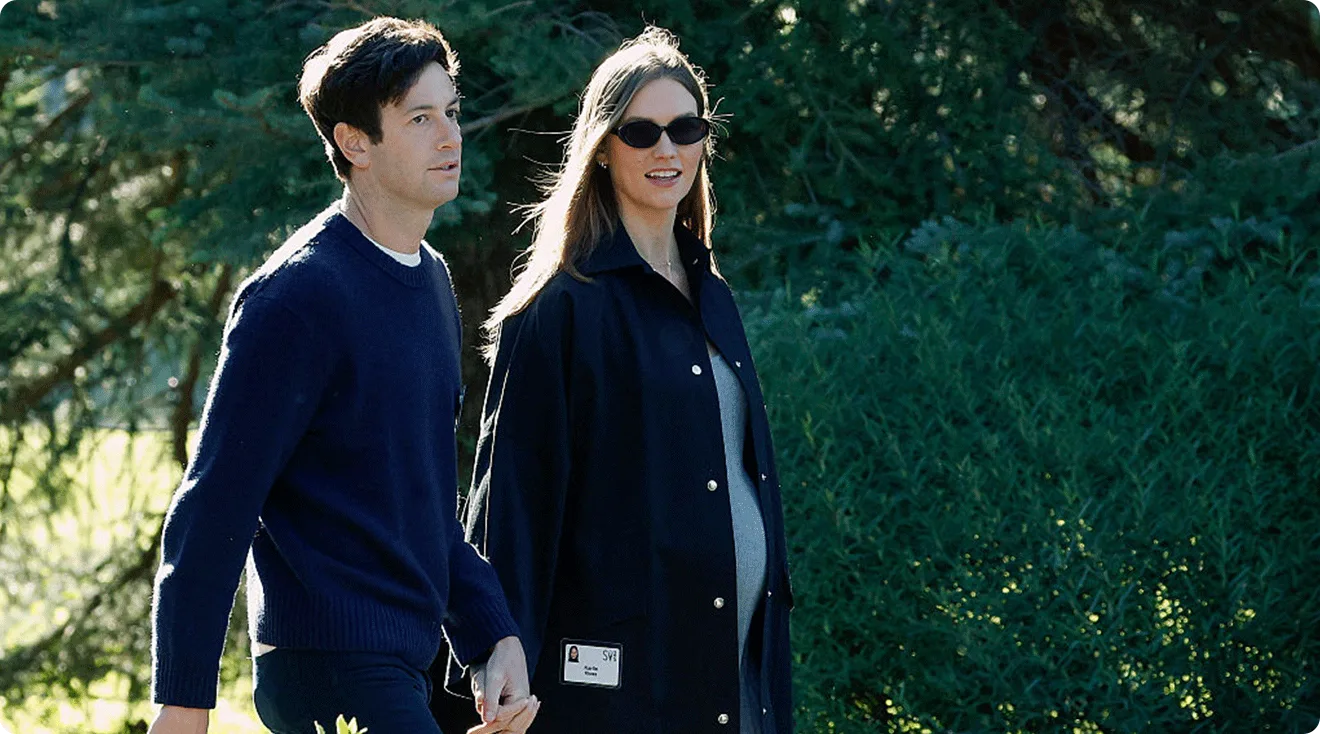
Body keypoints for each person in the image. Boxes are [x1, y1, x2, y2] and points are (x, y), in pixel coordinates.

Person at [147, 17, 539, 734]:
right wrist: (183, 704)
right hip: (326, 665)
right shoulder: (297, 298)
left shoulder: (430, 283)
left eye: (451, 112)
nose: (451, 136)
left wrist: (490, 633)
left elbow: (421, 500)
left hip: (401, 664)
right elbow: (215, 509)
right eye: (420, 118)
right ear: (354, 142)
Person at [464, 27, 794, 734]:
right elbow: (511, 500)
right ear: (603, 147)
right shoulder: (559, 307)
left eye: (685, 128)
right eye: (641, 131)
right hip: (620, 689)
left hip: (740, 674)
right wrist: (497, 643)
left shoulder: (713, 295)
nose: (666, 149)